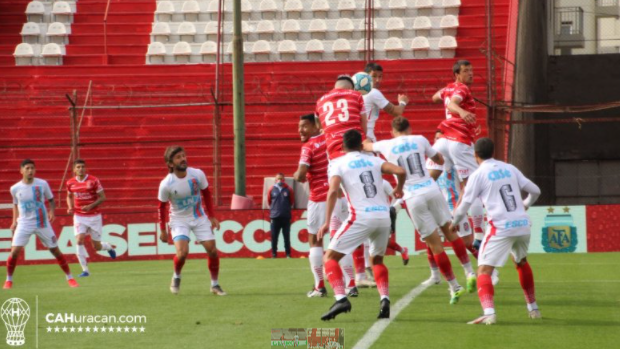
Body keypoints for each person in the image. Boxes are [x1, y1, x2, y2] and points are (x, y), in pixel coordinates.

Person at [364, 117, 474, 302]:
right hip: (432, 189)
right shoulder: (420, 139)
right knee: (451, 232)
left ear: (392, 131)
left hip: (413, 196)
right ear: (410, 127)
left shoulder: (386, 144)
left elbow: (366, 146)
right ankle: (470, 272)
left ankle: (455, 286)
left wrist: (365, 127)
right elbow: (438, 158)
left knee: (435, 244)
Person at [450, 138, 541, 325]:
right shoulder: (510, 168)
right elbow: (535, 190)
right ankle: (533, 308)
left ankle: (489, 313)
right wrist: (525, 205)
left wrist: (454, 223)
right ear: (493, 152)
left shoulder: (478, 174)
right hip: (522, 224)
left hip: (501, 227)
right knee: (521, 262)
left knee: (483, 269)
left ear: (475, 155)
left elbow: (465, 204)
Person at [318, 130, 406, 321]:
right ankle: (384, 299)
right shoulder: (374, 160)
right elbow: (400, 171)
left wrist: (326, 222)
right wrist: (398, 189)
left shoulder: (338, 163)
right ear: (361, 145)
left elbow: (333, 191)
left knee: (329, 257)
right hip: (383, 217)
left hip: (360, 217)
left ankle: (341, 298)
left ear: (342, 146)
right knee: (377, 261)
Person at [157, 146, 225, 296]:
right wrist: (162, 229)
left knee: (212, 251)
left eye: (183, 156)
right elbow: (161, 207)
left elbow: (206, 194)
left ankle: (215, 285)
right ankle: (176, 276)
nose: (183, 159)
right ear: (170, 164)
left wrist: (212, 216)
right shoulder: (166, 184)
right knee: (182, 253)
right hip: (179, 219)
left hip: (199, 216)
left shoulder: (197, 174)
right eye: (178, 157)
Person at [432, 60, 486, 246]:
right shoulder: (462, 89)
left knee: (430, 180)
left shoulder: (449, 88)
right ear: (457, 74)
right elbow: (452, 105)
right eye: (465, 71)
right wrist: (462, 112)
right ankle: (479, 235)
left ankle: (405, 206)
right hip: (459, 141)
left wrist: (446, 94)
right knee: (473, 187)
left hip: (443, 141)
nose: (470, 73)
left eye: (471, 70)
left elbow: (435, 97)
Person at [4, 159, 79, 289]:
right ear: (21, 171)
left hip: (42, 223)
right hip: (24, 223)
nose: (30, 171)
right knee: (15, 251)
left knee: (55, 250)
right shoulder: (15, 188)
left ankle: (70, 277)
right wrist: (13, 222)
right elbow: (15, 205)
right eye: (27, 168)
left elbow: (51, 200)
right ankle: (9, 280)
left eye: (32, 168)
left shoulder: (42, 184)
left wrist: (52, 212)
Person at [294, 114, 329, 296]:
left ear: (315, 126)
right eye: (299, 127)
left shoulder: (308, 147)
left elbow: (300, 175)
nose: (300, 130)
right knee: (340, 239)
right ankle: (350, 285)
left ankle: (319, 286)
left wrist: (297, 175)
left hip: (319, 198)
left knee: (314, 241)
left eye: (304, 126)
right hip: (337, 196)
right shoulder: (329, 138)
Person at [66, 159, 116, 277]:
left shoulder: (93, 180)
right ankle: (85, 270)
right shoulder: (70, 183)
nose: (80, 169)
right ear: (74, 169)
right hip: (79, 216)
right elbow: (69, 196)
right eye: (78, 167)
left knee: (96, 247)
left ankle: (108, 246)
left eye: (82, 166)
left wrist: (90, 206)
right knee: (79, 239)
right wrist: (69, 207)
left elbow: (103, 197)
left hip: (94, 216)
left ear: (86, 168)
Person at [315, 75, 368, 160]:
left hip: (333, 149)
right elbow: (364, 122)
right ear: (350, 88)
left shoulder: (320, 102)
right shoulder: (356, 95)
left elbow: (320, 127)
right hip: (356, 146)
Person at [363, 62, 410, 142]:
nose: (377, 80)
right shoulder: (373, 92)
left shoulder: (355, 91)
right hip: (367, 138)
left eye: (380, 77)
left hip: (356, 137)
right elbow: (396, 112)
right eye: (374, 76)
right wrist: (403, 102)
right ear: (366, 77)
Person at [267, 173, 294, 258]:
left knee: (286, 237)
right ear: (275, 180)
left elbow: (291, 201)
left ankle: (288, 254)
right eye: (278, 178)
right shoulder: (271, 189)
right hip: (274, 217)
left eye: (281, 179)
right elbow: (269, 201)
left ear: (284, 179)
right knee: (274, 237)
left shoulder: (288, 189)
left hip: (285, 217)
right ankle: (274, 254)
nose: (280, 180)